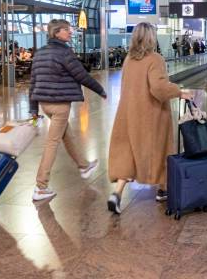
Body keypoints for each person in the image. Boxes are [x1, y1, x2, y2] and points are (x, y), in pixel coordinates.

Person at [107, 23, 193, 214]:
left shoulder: (129, 59)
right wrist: (180, 92)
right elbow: (158, 87)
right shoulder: (155, 59)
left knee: (128, 151)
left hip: (128, 112)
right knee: (160, 149)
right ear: (151, 38)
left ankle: (117, 193)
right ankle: (162, 189)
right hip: (151, 114)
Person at [29, 19, 107, 202]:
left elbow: (32, 83)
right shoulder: (64, 53)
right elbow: (81, 75)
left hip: (45, 104)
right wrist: (101, 90)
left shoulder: (40, 53)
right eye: (67, 30)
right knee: (52, 143)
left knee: (67, 135)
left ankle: (83, 165)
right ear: (56, 33)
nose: (71, 32)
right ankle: (41, 186)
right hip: (60, 104)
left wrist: (33, 109)